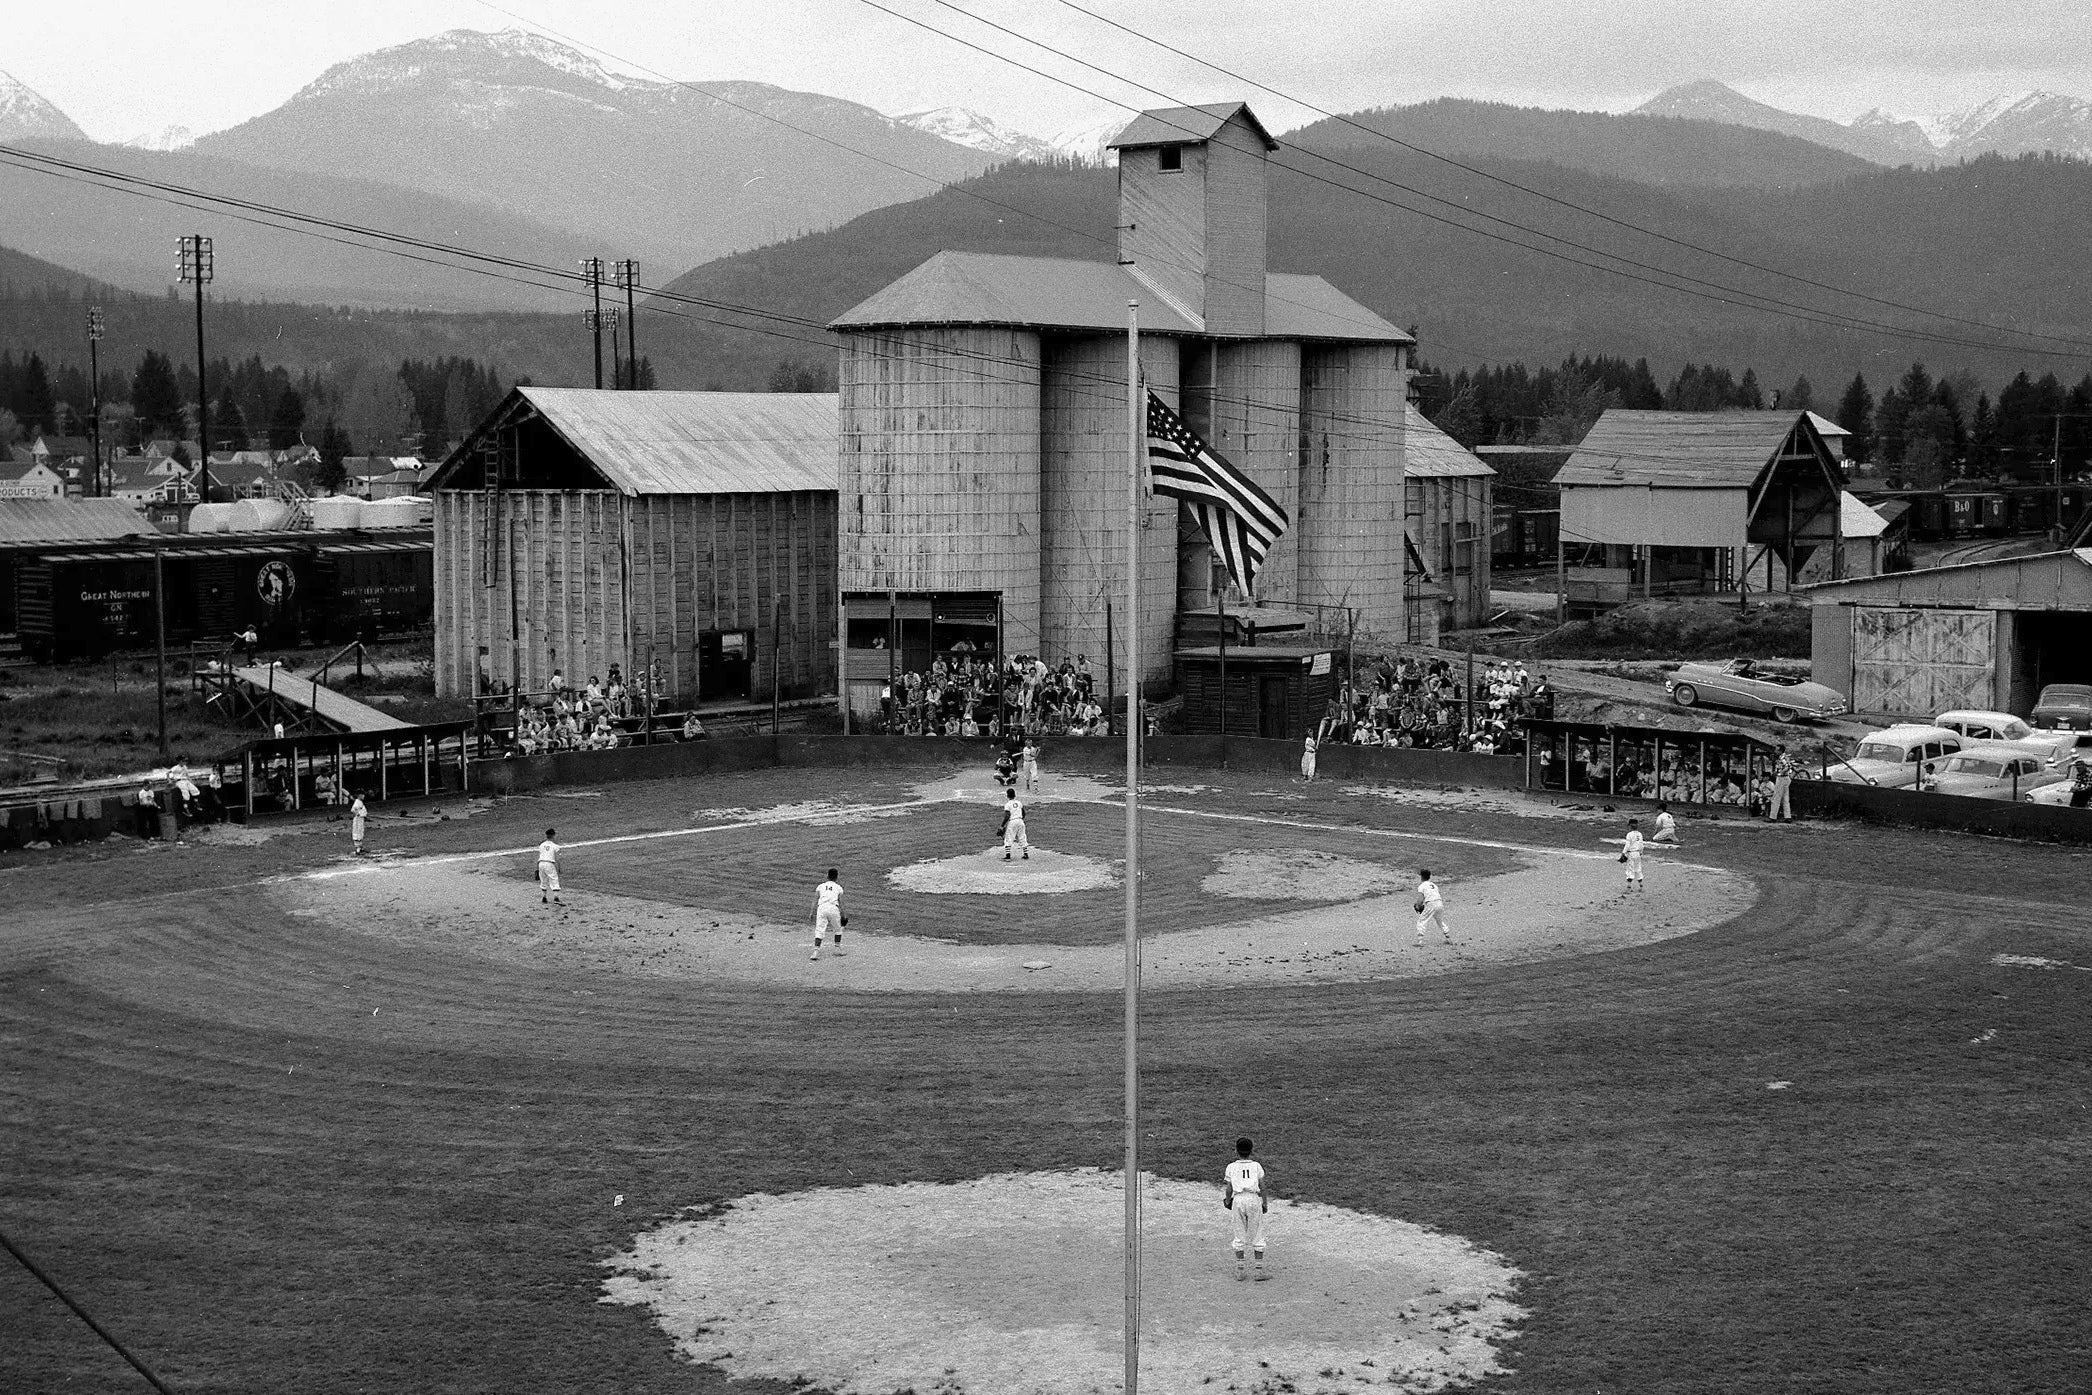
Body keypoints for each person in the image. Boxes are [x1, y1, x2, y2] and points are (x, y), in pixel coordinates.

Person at [1223, 1137, 1272, 1280]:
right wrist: (1264, 1203)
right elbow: (1262, 1187)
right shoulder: (1256, 1166)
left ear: (1236, 1150)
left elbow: (1229, 1188)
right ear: (1252, 1151)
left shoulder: (1231, 1167)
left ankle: (1240, 1271)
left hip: (1238, 1200)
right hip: (1253, 1199)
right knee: (1257, 1232)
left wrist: (1227, 1201)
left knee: (1239, 1232)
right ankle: (1258, 1271)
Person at [811, 867, 845, 961]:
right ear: (837, 877)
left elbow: (815, 899)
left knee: (820, 929)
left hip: (822, 908)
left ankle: (815, 952)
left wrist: (811, 912)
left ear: (827, 876)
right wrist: (844, 914)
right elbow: (841, 902)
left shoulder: (821, 886)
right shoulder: (838, 888)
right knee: (838, 928)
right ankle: (838, 948)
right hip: (833, 908)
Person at [1414, 869, 1451, 947]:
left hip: (1431, 903)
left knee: (1422, 920)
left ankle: (1420, 941)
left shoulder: (1422, 886)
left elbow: (1420, 900)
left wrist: (1418, 906)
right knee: (1439, 921)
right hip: (1440, 903)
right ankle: (1448, 937)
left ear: (1421, 877)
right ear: (1429, 876)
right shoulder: (1434, 885)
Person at [1769, 746, 1800, 822]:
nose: (1775, 751)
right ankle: (1787, 817)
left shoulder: (1782, 758)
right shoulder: (1785, 757)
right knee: (1785, 798)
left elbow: (1787, 766)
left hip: (1782, 778)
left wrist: (1779, 773)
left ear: (1780, 751)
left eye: (1776, 750)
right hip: (1786, 778)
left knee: (1776, 797)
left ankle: (1773, 817)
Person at [999, 788, 1030, 861]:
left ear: (1007, 796)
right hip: (1020, 821)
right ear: (1015, 795)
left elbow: (1007, 816)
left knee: (1008, 838)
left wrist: (1002, 825)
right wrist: (1020, 820)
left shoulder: (1007, 804)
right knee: (1022, 837)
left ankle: (1008, 856)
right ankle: (1026, 854)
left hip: (1012, 822)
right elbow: (1023, 813)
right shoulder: (1019, 803)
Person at [538, 828, 563, 906]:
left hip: (541, 863)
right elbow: (557, 858)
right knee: (554, 879)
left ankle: (544, 898)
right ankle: (556, 898)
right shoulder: (555, 846)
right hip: (549, 864)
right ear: (553, 835)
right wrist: (559, 868)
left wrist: (537, 868)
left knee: (543, 880)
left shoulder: (542, 845)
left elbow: (540, 856)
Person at [1621, 816, 1645, 891]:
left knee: (1630, 869)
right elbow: (1641, 845)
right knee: (1638, 868)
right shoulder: (1639, 834)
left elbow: (1627, 845)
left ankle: (1629, 886)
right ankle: (1641, 885)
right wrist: (1641, 852)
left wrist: (1623, 853)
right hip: (1637, 853)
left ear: (1630, 826)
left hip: (1631, 853)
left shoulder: (1629, 834)